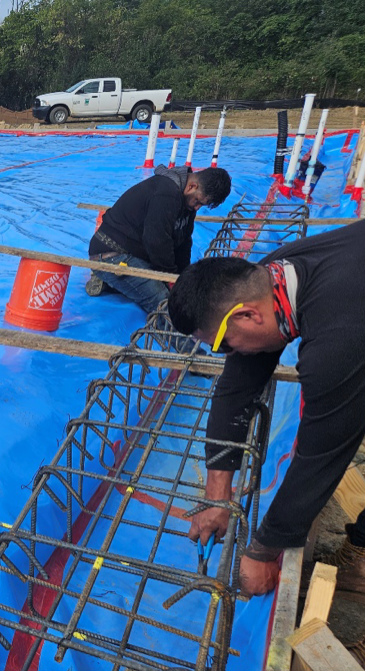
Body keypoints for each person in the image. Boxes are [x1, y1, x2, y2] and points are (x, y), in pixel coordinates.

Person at [166, 222, 365, 595]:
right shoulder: (272, 277)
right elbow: (238, 386)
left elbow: (322, 454)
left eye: (224, 345)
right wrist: (217, 494)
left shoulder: (338, 340)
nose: (229, 355)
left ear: (247, 315)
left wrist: (262, 550)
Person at [86, 166, 232, 314]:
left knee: (176, 292)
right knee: (167, 303)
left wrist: (182, 279)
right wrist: (170, 280)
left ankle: (110, 282)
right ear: (192, 186)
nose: (197, 208)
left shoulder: (188, 201)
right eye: (198, 202)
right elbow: (157, 242)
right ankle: (106, 274)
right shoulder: (167, 194)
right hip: (112, 255)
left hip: (138, 253)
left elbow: (184, 242)